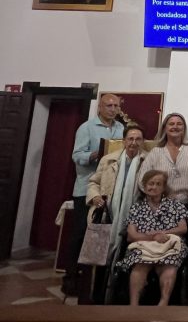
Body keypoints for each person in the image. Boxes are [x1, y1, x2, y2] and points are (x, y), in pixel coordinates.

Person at [64, 93, 124, 295]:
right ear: (100, 107)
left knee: (102, 235)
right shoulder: (86, 128)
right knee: (80, 233)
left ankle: (92, 280)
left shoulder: (120, 128)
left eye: (116, 105)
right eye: (109, 105)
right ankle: (71, 277)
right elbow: (76, 155)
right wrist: (96, 153)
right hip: (86, 189)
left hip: (109, 189)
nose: (113, 109)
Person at [121, 170, 188, 306]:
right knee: (139, 265)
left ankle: (162, 305)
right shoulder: (137, 207)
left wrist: (163, 234)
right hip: (143, 245)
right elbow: (131, 235)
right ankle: (133, 306)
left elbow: (183, 228)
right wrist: (154, 237)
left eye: (158, 184)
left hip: (168, 245)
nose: (154, 187)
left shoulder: (174, 205)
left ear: (164, 188)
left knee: (170, 265)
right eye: (150, 184)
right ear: (144, 186)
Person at [86, 125, 147, 259]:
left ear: (143, 142)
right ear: (124, 141)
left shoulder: (148, 161)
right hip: (106, 214)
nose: (134, 143)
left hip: (135, 216)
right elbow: (93, 182)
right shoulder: (108, 160)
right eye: (130, 139)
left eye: (138, 139)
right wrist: (95, 196)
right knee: (100, 256)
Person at [138, 113, 188, 207]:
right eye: (171, 124)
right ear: (165, 128)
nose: (175, 127)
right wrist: (154, 194)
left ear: (184, 128)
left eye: (179, 124)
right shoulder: (156, 152)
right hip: (159, 205)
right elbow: (142, 179)